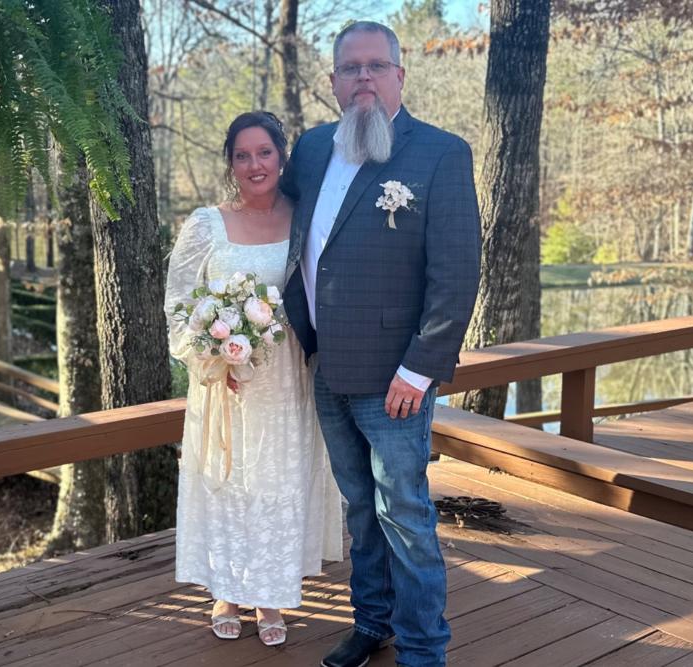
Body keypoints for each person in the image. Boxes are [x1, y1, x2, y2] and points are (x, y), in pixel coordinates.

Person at [281, 21, 480, 667]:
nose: (363, 76)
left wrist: (419, 370)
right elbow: (283, 229)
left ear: (399, 75)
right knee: (360, 511)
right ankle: (373, 622)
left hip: (395, 380)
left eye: (375, 65)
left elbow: (456, 274)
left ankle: (423, 650)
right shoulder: (313, 149)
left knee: (405, 517)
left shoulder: (440, 154)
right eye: (350, 67)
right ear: (333, 81)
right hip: (327, 366)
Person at [164, 111, 343, 648]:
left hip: (288, 378)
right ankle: (225, 592)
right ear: (230, 164)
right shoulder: (206, 224)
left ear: (281, 157)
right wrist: (210, 358)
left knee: (278, 483)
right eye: (242, 156)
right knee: (230, 479)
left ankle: (270, 594)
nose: (254, 164)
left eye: (264, 152)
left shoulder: (306, 219)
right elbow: (178, 304)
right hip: (226, 383)